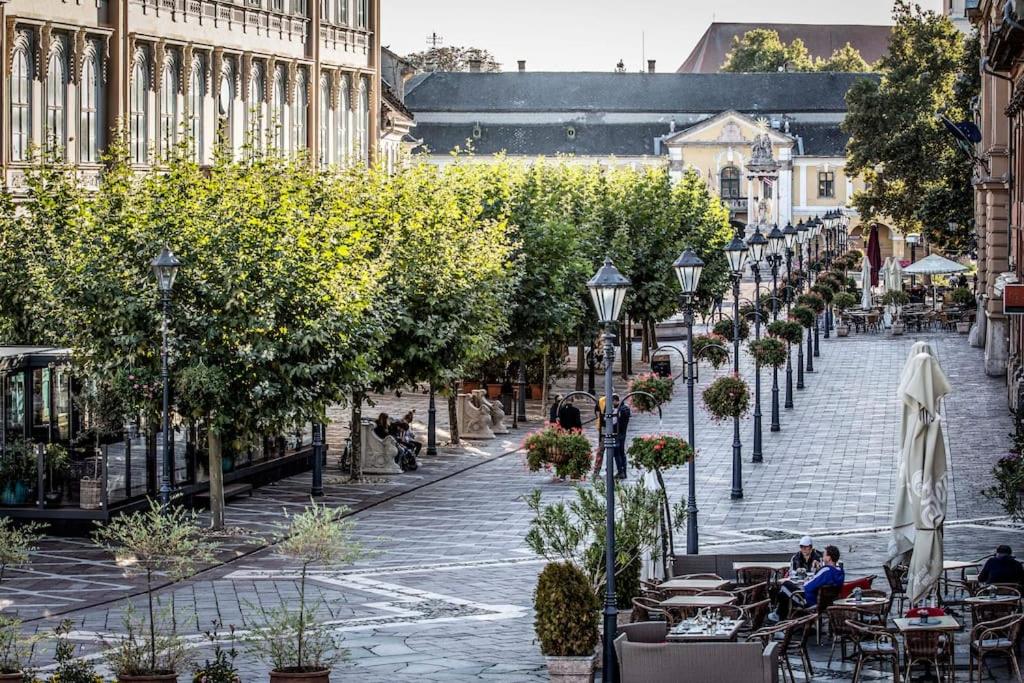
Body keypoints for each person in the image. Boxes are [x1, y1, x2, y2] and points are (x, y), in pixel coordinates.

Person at [798, 545, 845, 611]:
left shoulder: (826, 571)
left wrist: (805, 581)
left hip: (812, 604)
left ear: (829, 558)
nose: (822, 557)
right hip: (828, 603)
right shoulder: (840, 572)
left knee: (786, 586)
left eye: (824, 555)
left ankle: (782, 618)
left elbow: (807, 586)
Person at [612, 394, 631, 479]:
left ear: (615, 401)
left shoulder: (619, 410)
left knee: (617, 453)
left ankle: (621, 471)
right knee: (621, 453)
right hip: (622, 433)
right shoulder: (625, 408)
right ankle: (623, 471)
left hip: (617, 434)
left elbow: (614, 422)